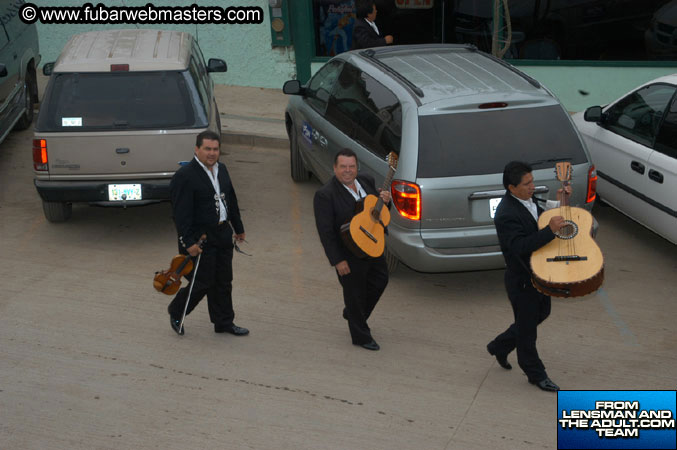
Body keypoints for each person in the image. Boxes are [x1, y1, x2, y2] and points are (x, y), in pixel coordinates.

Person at [487, 161, 570, 392]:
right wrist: (549, 231)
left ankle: (500, 345)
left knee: (541, 313)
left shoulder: (527, 200)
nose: (533, 186)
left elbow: (541, 219)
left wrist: (560, 199)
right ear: (512, 188)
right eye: (527, 183)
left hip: (540, 273)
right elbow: (520, 246)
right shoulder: (506, 214)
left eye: (532, 181)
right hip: (522, 279)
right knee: (527, 332)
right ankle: (535, 373)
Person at [166, 130, 249, 337]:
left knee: (223, 281)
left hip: (222, 233)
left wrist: (238, 228)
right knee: (202, 282)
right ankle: (177, 311)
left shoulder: (222, 170)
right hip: (200, 239)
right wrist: (188, 243)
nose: (212, 153)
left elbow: (231, 200)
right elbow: (180, 214)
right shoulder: (184, 176)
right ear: (197, 149)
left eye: (215, 149)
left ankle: (223, 322)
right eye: (207, 149)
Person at [313, 148, 391, 351]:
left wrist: (386, 203)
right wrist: (338, 261)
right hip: (348, 253)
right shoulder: (325, 195)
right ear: (335, 168)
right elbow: (326, 233)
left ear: (357, 167)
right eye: (343, 167)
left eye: (351, 167)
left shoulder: (366, 181)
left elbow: (376, 213)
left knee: (380, 280)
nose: (347, 171)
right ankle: (361, 336)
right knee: (354, 293)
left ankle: (355, 313)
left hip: (372, 245)